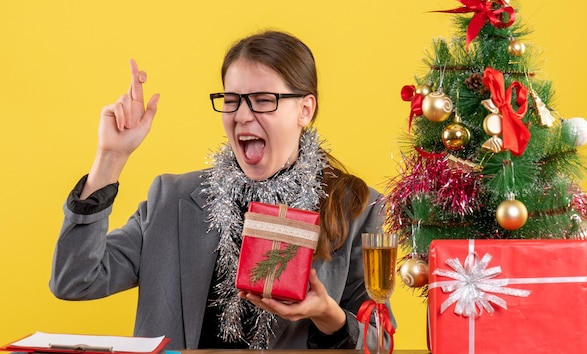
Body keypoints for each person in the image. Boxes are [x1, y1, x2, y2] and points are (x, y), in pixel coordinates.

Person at [50, 30, 394, 350]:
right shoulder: (172, 199)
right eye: (232, 100)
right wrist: (110, 158)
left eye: (262, 100)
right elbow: (75, 280)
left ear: (305, 110)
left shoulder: (358, 209)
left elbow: (380, 342)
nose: (242, 115)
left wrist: (326, 314)